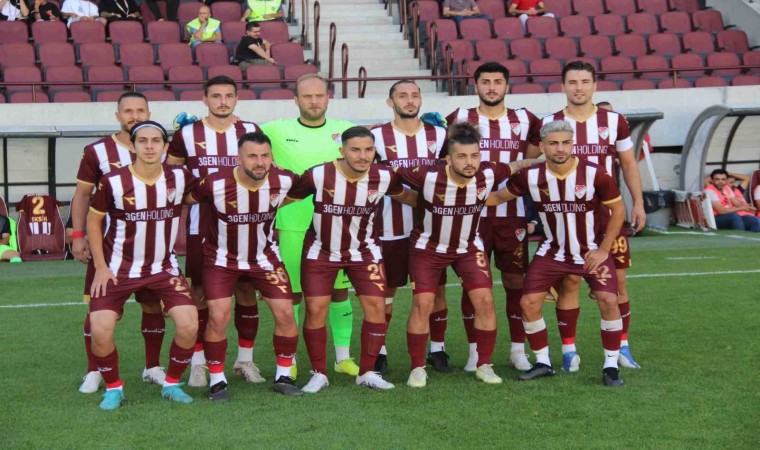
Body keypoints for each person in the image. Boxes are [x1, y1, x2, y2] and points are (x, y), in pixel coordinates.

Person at [397, 122, 539, 388]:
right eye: (462, 156)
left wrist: (542, 160)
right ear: (448, 159)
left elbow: (517, 165)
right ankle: (417, 367)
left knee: (485, 301)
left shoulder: (488, 172)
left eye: (474, 155)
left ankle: (483, 364)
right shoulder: (427, 175)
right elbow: (387, 172)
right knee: (423, 304)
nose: (469, 162)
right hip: (428, 248)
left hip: (468, 247)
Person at [487, 119, 627, 387]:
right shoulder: (531, 176)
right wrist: (461, 192)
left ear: (572, 144)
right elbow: (498, 197)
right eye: (553, 143)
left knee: (609, 299)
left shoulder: (594, 173)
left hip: (590, 252)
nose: (560, 148)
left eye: (565, 143)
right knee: (528, 303)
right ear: (542, 146)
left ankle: (610, 367)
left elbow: (618, 210)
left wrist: (603, 250)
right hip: (552, 252)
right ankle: (543, 363)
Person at [284, 126, 417, 393]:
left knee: (377, 308)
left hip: (364, 252)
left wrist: (447, 202)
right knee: (316, 310)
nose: (362, 156)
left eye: (369, 150)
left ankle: (367, 372)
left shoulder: (384, 176)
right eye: (355, 150)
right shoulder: (318, 174)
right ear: (341, 150)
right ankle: (319, 373)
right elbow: (284, 199)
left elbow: (407, 197)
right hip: (321, 252)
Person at [541, 60, 645, 373]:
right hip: (568, 217)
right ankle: (569, 351)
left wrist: (638, 202)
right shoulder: (550, 122)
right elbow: (537, 168)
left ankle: (622, 346)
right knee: (570, 281)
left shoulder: (614, 121)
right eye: (572, 82)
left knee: (619, 284)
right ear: (563, 86)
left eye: (585, 82)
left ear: (594, 86)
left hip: (608, 216)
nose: (579, 88)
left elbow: (628, 163)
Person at [87, 121, 199, 410]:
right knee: (100, 327)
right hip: (118, 268)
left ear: (165, 146)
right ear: (133, 145)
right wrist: (100, 267)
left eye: (156, 141)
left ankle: (171, 384)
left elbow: (205, 190)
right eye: (143, 141)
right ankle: (113, 388)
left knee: (189, 323)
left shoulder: (179, 176)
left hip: (163, 268)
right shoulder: (113, 181)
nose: (149, 146)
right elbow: (93, 221)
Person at [188, 131, 302, 400]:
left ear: (272, 157)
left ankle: (283, 376)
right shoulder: (214, 183)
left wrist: (274, 203)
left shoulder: (284, 180)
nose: (259, 162)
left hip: (265, 258)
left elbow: (302, 190)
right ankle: (217, 381)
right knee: (219, 316)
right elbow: (186, 200)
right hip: (221, 260)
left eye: (265, 156)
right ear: (238, 158)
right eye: (252, 156)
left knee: (286, 313)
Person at [167, 76, 264, 388]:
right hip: (202, 226)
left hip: (247, 224)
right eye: (216, 96)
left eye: (229, 95)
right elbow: (171, 174)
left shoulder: (250, 130)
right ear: (205, 99)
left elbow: (264, 170)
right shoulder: (187, 134)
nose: (223, 101)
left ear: (236, 99)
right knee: (199, 293)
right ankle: (198, 365)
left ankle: (245, 361)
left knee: (246, 291)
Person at [260, 74, 358, 379]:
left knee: (339, 293)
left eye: (319, 95)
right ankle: (288, 361)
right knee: (292, 295)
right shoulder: (275, 130)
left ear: (328, 97)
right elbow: (245, 143)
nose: (314, 101)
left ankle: (343, 358)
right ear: (296, 100)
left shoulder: (345, 130)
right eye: (307, 96)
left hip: (337, 228)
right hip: (292, 226)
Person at [446, 61, 542, 373]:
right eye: (485, 81)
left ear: (506, 85)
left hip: (511, 214)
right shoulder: (459, 116)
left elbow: (533, 161)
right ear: (475, 85)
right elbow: (444, 159)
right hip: (469, 217)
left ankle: (518, 350)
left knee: (515, 281)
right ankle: (475, 352)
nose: (491, 87)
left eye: (497, 81)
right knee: (472, 285)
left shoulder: (525, 119)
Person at [71, 92, 168, 395]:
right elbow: (83, 195)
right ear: (117, 116)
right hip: (109, 249)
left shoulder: (161, 147)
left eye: (140, 110)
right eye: (128, 111)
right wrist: (78, 235)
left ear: (149, 113)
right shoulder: (97, 151)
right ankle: (94, 371)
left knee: (152, 304)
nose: (134, 116)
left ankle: (152, 367)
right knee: (99, 309)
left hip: (152, 248)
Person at [371, 80, 448, 375]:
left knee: (435, 292)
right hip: (388, 228)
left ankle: (437, 349)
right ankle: (379, 352)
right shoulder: (376, 136)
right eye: (402, 96)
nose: (410, 100)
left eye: (415, 95)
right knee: (385, 293)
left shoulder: (439, 135)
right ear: (390, 102)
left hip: (430, 231)